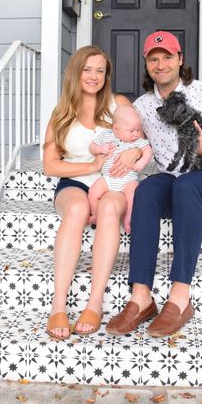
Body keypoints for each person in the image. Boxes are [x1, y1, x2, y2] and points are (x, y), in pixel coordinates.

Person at [106, 31, 202, 338]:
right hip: (174, 183)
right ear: (146, 64)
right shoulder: (143, 106)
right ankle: (141, 298)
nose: (160, 64)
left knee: (187, 185)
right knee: (148, 189)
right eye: (154, 58)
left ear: (180, 60)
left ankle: (179, 298)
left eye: (167, 57)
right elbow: (129, 135)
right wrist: (136, 149)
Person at [43, 46, 141, 340]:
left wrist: (135, 150)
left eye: (100, 70)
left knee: (110, 208)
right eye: (87, 69)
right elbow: (50, 165)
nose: (94, 76)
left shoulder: (117, 104)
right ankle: (58, 304)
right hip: (74, 181)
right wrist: (90, 164)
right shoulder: (61, 112)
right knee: (76, 209)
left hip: (113, 182)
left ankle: (95, 303)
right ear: (76, 72)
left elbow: (139, 137)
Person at [88, 105, 153, 233]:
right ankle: (95, 213)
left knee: (133, 196)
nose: (136, 134)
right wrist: (100, 149)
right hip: (108, 179)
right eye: (131, 131)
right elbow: (92, 146)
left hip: (128, 180)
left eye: (138, 130)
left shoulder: (137, 141)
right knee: (93, 192)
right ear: (116, 130)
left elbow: (148, 150)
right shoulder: (106, 136)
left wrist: (141, 163)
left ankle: (128, 218)